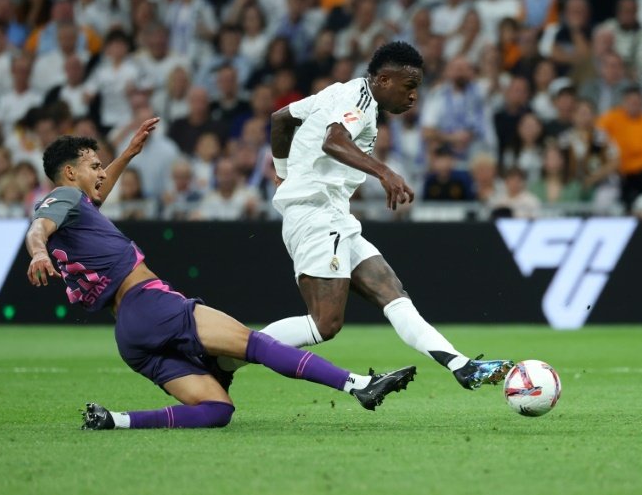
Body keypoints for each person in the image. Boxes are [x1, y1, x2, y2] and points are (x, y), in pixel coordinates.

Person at [25, 119, 417, 430]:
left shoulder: (77, 208)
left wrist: (127, 153)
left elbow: (92, 196)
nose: (100, 173)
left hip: (130, 334)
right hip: (151, 304)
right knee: (255, 344)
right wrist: (38, 252)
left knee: (217, 409)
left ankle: (116, 420)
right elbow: (38, 228)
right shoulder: (64, 198)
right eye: (94, 165)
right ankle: (357, 384)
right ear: (70, 173)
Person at [266, 41, 512, 390]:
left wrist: (283, 173)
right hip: (316, 215)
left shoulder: (340, 93)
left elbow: (281, 120)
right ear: (382, 80)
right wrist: (385, 172)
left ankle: (461, 365)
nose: (414, 97)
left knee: (391, 291)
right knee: (325, 324)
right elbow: (333, 141)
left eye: (417, 89)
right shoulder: (360, 100)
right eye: (408, 86)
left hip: (333, 215)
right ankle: (229, 351)